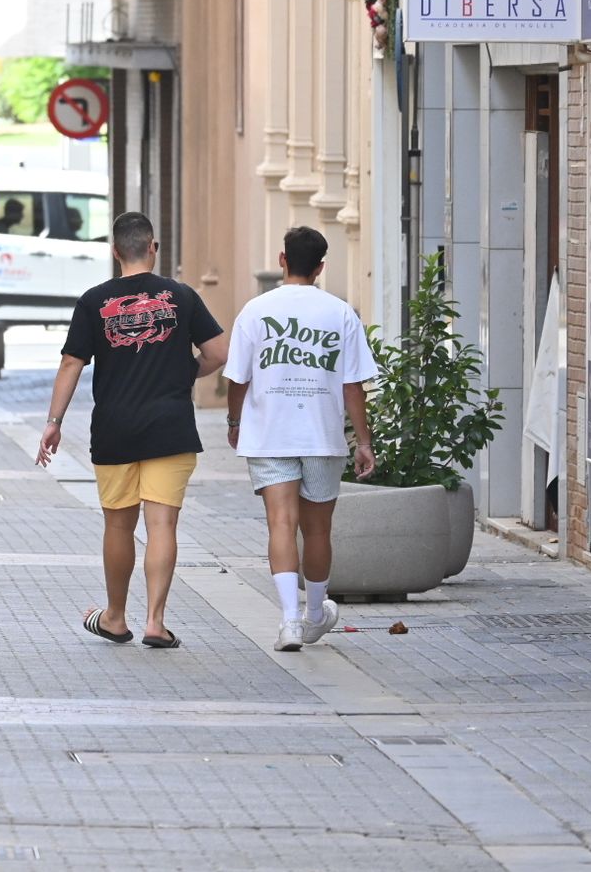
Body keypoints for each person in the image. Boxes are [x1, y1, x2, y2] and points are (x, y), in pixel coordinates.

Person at [37, 212, 228, 648]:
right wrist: (186, 372)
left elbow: (71, 362)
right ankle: (156, 623)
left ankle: (116, 618)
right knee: (162, 526)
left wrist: (54, 422)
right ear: (153, 247)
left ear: (116, 251)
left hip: (115, 428)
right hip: (170, 426)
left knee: (119, 527)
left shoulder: (93, 300)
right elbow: (218, 352)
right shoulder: (181, 296)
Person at [222, 226, 378, 652]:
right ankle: (314, 614)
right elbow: (353, 386)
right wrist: (363, 441)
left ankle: (290, 620)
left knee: (280, 524)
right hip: (322, 436)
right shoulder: (341, 313)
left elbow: (238, 377)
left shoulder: (255, 311)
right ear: (322, 267)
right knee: (318, 531)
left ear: (281, 260)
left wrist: (236, 421)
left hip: (270, 433)